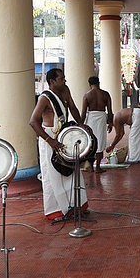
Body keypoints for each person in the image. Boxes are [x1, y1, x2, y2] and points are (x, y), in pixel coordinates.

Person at [29, 68, 88, 220]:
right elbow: (33, 122)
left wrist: (81, 125)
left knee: (72, 172)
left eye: (64, 78)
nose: (64, 80)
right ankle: (58, 210)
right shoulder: (44, 98)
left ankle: (76, 206)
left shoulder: (65, 90)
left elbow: (73, 109)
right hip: (50, 140)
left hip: (64, 137)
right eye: (61, 78)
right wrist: (50, 141)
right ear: (52, 81)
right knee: (54, 176)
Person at [81, 76, 113, 174]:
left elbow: (83, 113)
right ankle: (98, 167)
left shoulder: (87, 95)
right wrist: (110, 123)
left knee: (91, 142)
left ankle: (90, 166)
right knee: (100, 142)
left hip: (91, 119)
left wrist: (80, 125)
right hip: (102, 118)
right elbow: (110, 111)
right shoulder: (105, 94)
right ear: (98, 83)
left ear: (89, 84)